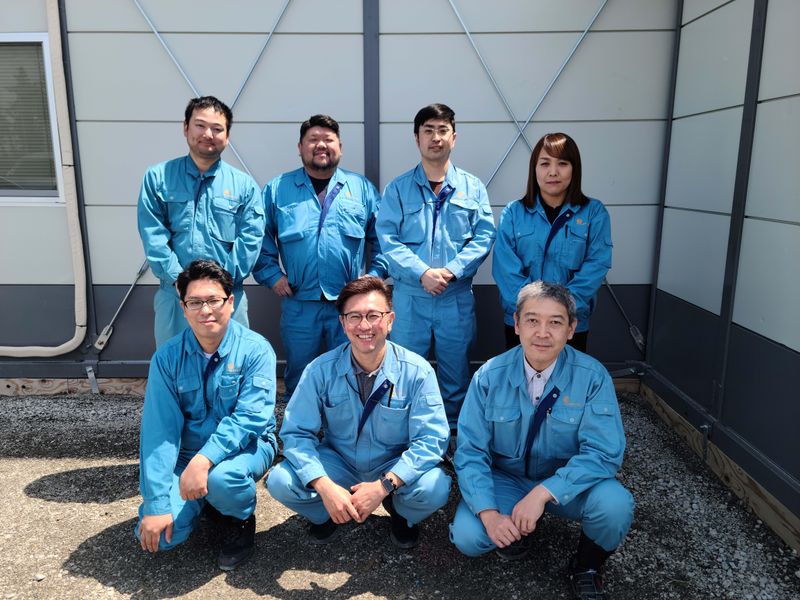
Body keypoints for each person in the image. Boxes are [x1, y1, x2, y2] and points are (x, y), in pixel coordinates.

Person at [449, 281, 633, 600]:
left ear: (571, 329)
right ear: (517, 324)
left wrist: (543, 493)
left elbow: (604, 453)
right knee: (469, 536)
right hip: (506, 478)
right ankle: (515, 526)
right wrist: (489, 513)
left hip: (566, 482)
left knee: (614, 505)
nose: (542, 333)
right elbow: (470, 451)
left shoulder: (592, 377)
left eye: (555, 322)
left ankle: (586, 567)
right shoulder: (489, 376)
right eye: (532, 320)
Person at [266, 276, 451, 549]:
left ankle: (401, 513)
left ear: (390, 320)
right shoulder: (319, 370)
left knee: (435, 486)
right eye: (354, 316)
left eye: (374, 315)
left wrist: (385, 485)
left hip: (392, 465)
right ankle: (328, 512)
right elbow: (296, 434)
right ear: (343, 323)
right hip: (339, 463)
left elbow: (432, 439)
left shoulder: (418, 372)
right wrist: (324, 486)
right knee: (281, 481)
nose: (364, 326)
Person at [135, 259, 277, 571]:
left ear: (230, 302)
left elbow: (251, 418)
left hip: (246, 447)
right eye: (195, 302)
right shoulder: (167, 358)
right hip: (187, 453)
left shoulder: (256, 350)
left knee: (223, 479)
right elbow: (159, 431)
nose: (205, 310)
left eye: (214, 300)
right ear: (183, 308)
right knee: (163, 534)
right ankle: (202, 501)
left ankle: (238, 520)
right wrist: (157, 504)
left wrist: (204, 460)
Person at [376, 103, 495, 440]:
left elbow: (484, 236)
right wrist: (422, 273)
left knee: (456, 372)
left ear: (454, 138)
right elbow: (388, 238)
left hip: (454, 297)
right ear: (417, 138)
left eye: (443, 130)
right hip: (410, 297)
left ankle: (452, 435)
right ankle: (404, 433)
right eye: (428, 130)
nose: (436, 138)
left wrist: (452, 271)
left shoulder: (472, 188)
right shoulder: (398, 189)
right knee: (404, 370)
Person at [253, 114, 387, 399]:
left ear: (340, 147)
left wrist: (373, 279)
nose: (321, 145)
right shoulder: (278, 189)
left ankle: (348, 425)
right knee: (300, 378)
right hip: (300, 304)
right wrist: (272, 275)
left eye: (328, 139)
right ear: (300, 147)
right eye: (313, 139)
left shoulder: (361, 189)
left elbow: (383, 239)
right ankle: (300, 426)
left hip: (349, 306)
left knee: (351, 373)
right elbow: (258, 237)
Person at [138, 96, 264, 347]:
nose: (208, 134)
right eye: (200, 125)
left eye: (217, 128)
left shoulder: (244, 186)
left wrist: (218, 287)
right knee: (175, 362)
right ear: (186, 128)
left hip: (226, 297)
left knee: (231, 363)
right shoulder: (158, 178)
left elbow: (251, 240)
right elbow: (153, 234)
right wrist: (181, 282)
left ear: (227, 136)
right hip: (175, 296)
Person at [493, 133, 612, 352]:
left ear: (574, 169)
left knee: (567, 374)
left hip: (570, 323)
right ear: (534, 169)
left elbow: (597, 264)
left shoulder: (594, 213)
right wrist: (532, 311)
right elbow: (505, 268)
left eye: (563, 164)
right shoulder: (513, 213)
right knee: (521, 373)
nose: (553, 172)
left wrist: (561, 309)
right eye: (545, 163)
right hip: (523, 323)